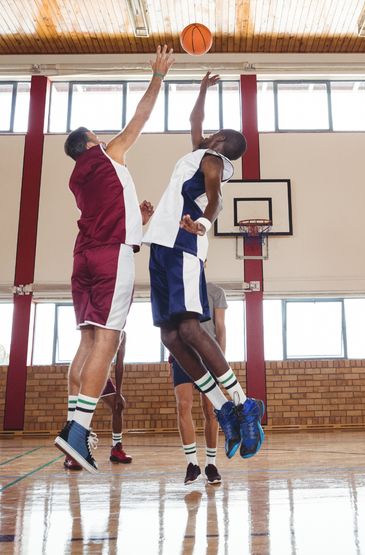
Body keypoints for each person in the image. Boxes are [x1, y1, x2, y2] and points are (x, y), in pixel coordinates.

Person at [55, 45, 175, 474]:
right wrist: (158, 76)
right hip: (110, 257)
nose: (105, 139)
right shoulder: (106, 156)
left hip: (84, 258)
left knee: (87, 340)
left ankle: (73, 426)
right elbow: (139, 120)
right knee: (109, 338)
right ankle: (77, 433)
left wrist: (136, 221)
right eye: (97, 137)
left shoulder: (79, 177)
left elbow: (109, 215)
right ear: (90, 143)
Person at [142, 71, 265, 462]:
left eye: (214, 133)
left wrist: (203, 224)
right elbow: (194, 122)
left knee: (191, 328)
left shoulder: (213, 160)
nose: (206, 132)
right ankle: (222, 406)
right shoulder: (199, 151)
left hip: (183, 243)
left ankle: (244, 404)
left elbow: (214, 201)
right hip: (160, 246)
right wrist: (200, 89)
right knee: (170, 337)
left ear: (220, 142)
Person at [169, 278, 229, 484]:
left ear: (203, 263)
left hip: (208, 355)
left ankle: (211, 464)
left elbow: (220, 327)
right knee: (183, 405)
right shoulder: (177, 289)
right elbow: (170, 328)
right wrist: (171, 358)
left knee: (211, 410)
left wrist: (219, 360)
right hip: (182, 355)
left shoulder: (215, 291)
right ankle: (192, 464)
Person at [64, 332, 131, 470]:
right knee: (76, 412)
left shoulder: (122, 334)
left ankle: (116, 448)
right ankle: (70, 453)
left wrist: (118, 393)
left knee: (117, 407)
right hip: (83, 372)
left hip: (102, 375)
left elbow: (119, 364)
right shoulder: (98, 328)